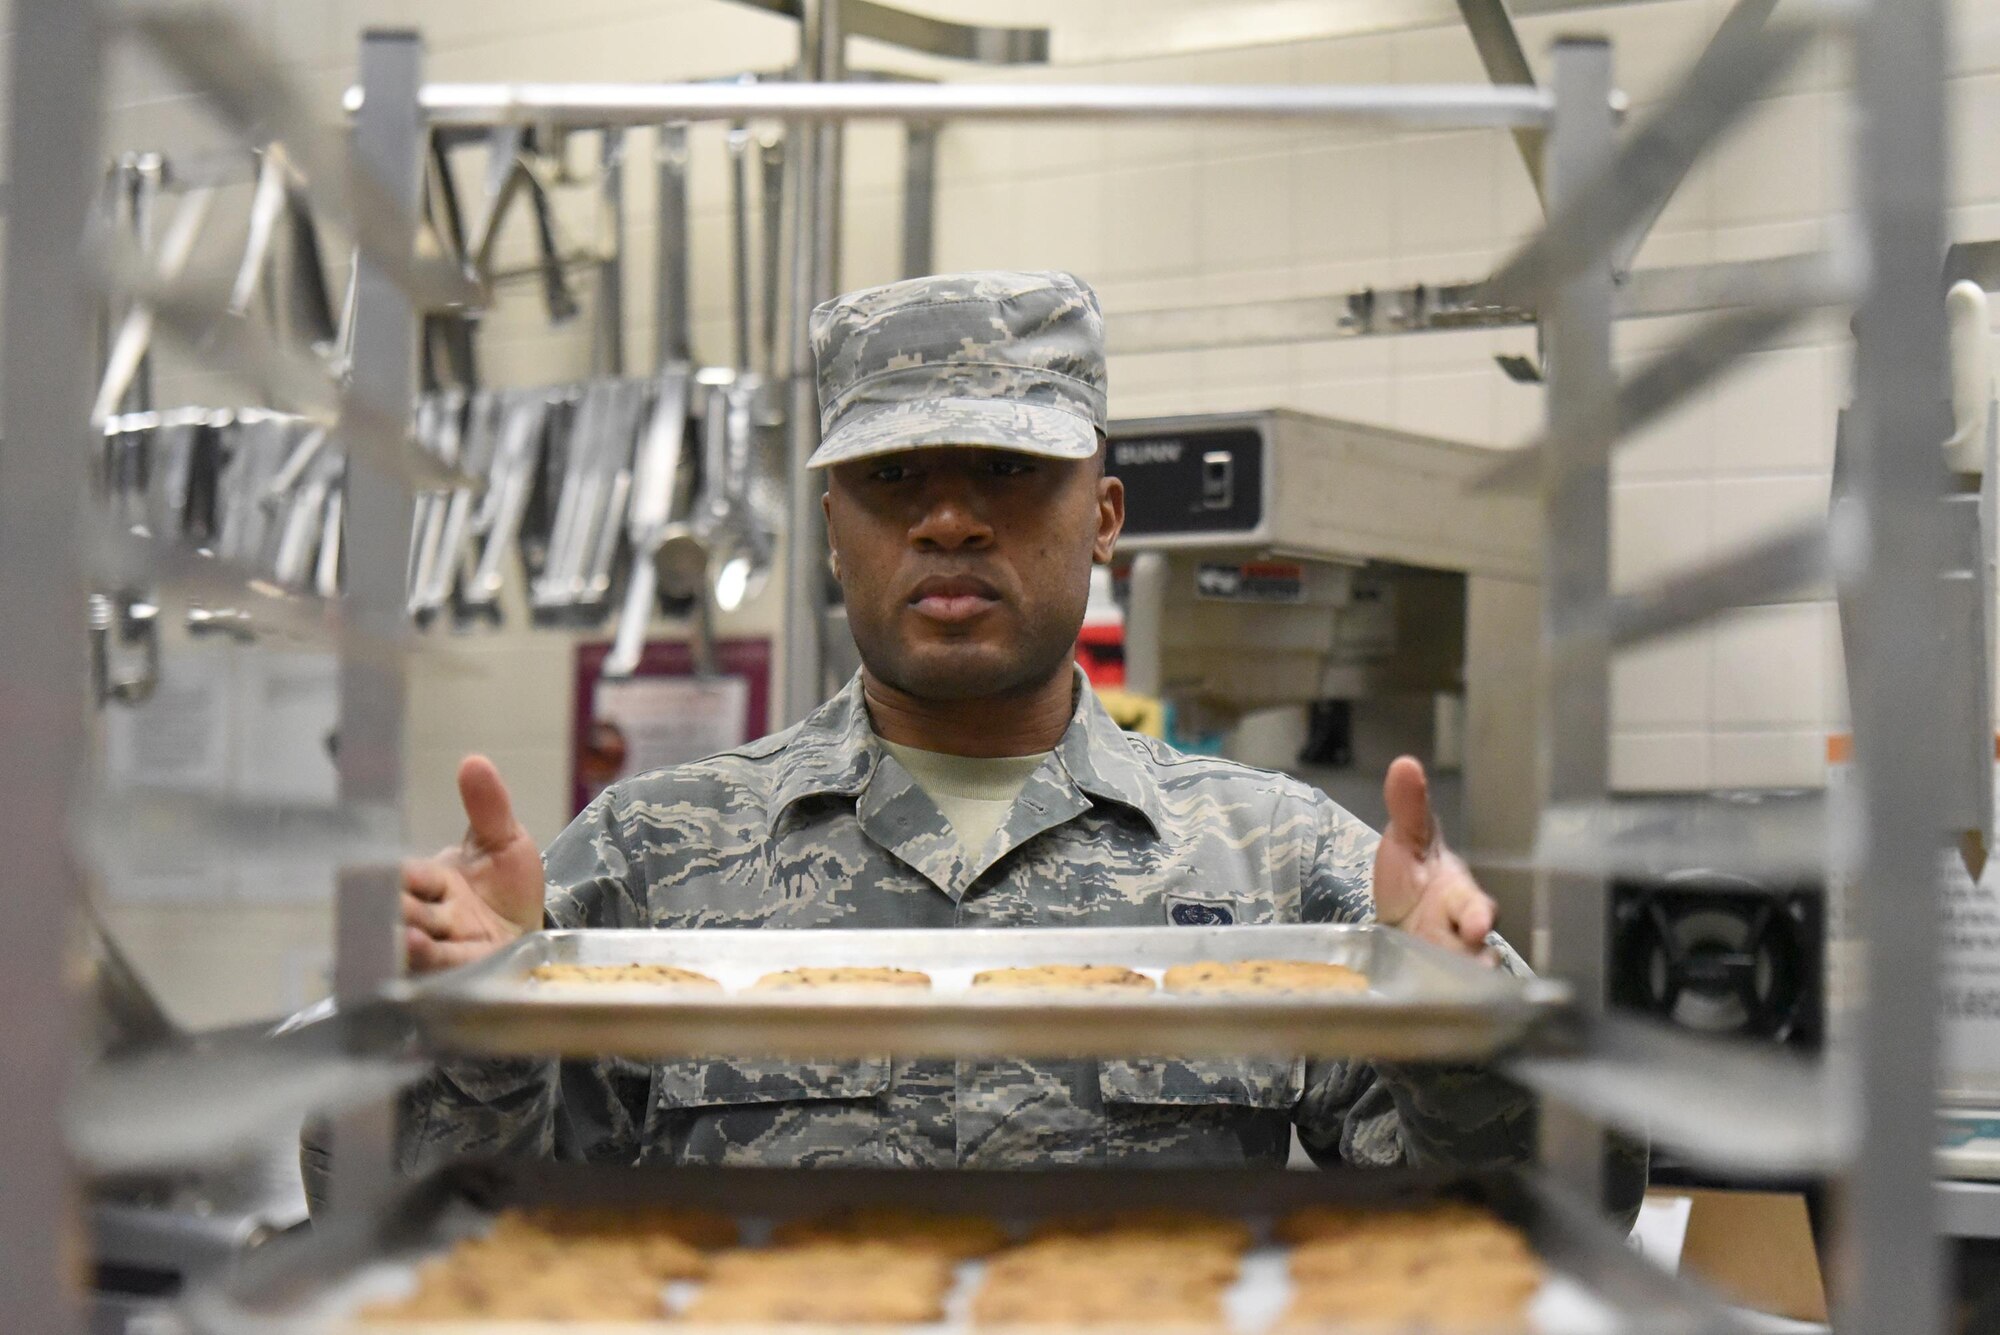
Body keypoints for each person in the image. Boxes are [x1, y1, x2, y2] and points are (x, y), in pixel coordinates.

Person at [395, 270, 1537, 1175]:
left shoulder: (1278, 863)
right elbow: (418, 1236)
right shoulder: (649, 858)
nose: (947, 520)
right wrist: (465, 1027)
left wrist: (1467, 1027)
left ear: (1101, 517)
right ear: (832, 526)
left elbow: (1522, 1229)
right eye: (892, 477)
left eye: (1004, 468)